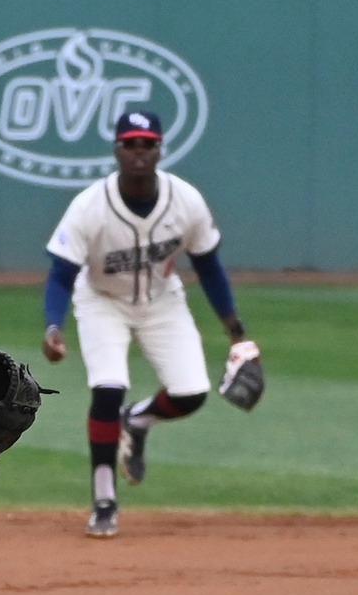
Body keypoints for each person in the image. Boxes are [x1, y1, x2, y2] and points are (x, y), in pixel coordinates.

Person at [39, 110, 257, 538]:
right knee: (107, 387)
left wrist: (235, 329)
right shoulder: (89, 206)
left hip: (163, 302)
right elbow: (61, 273)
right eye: (131, 145)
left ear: (160, 151)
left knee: (192, 393)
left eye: (148, 145)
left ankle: (135, 421)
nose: (139, 153)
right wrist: (53, 326)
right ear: (117, 150)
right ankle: (104, 499)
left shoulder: (186, 200)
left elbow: (209, 266)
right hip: (102, 300)